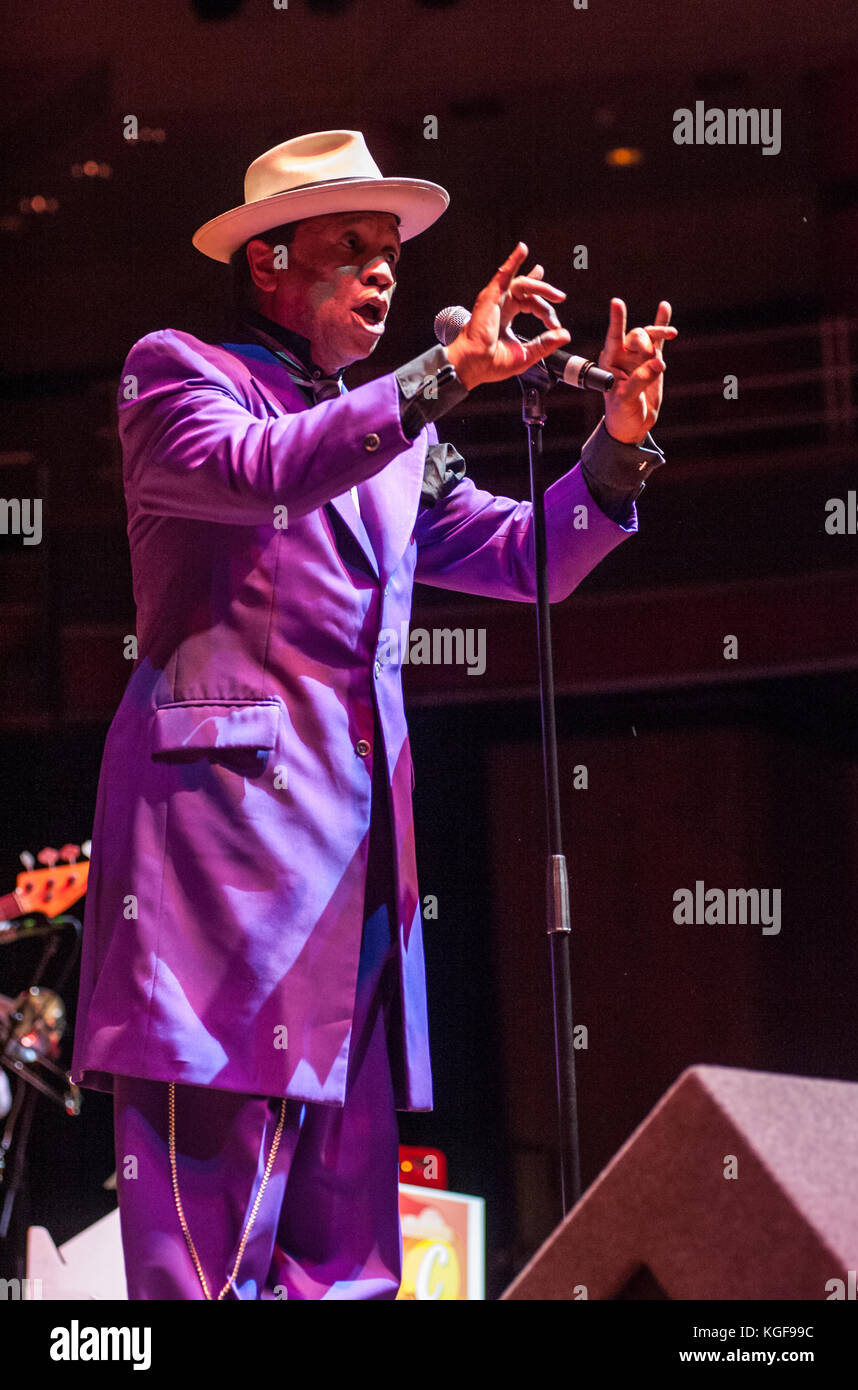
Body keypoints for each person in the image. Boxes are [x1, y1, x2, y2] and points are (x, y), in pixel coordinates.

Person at [70, 129, 676, 1300]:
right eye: (352, 248)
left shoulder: (402, 442)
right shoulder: (177, 374)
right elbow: (259, 471)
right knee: (202, 1268)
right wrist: (440, 380)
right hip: (218, 894)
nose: (386, 271)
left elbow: (529, 557)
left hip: (356, 901)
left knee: (344, 1273)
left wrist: (619, 447)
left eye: (391, 250)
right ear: (269, 265)